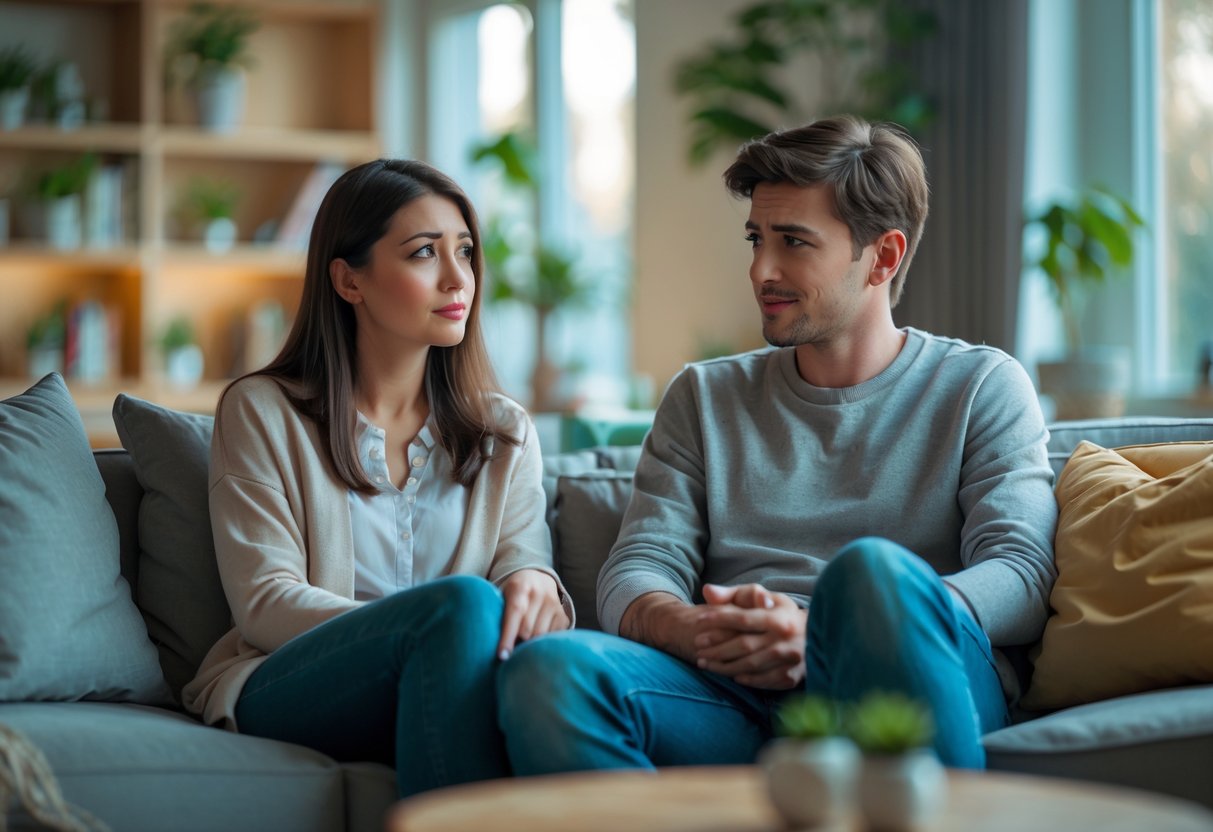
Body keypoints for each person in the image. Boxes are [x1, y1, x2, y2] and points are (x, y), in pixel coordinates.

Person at [497, 115, 1057, 771]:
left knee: (871, 573)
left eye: (793, 242)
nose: (761, 269)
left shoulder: (980, 385)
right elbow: (638, 567)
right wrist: (695, 629)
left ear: (883, 257)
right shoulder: (703, 396)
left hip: (905, 683)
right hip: (733, 691)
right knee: (551, 670)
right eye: (756, 239)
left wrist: (828, 633)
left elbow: (1021, 575)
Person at [182, 159, 572, 797]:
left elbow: (522, 565)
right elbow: (265, 603)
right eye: (424, 253)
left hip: (451, 678)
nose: (458, 279)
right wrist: (421, 629)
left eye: (465, 252)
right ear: (348, 280)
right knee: (463, 607)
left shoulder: (505, 433)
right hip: (292, 678)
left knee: (481, 633)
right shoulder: (261, 411)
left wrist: (535, 582)